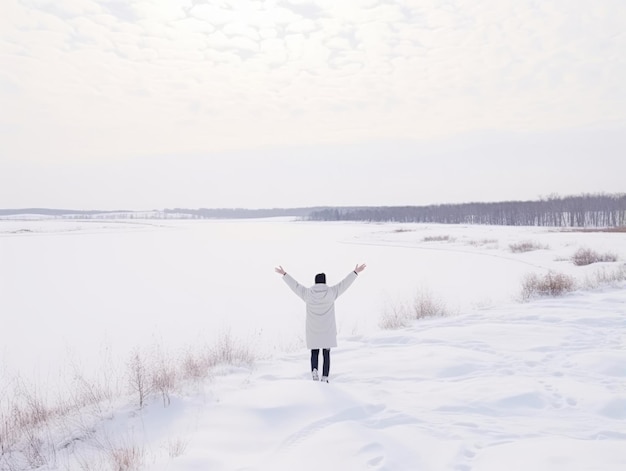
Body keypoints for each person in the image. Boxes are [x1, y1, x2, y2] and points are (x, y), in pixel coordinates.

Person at [274, 264, 366, 382]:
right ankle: (325, 376)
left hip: (314, 330)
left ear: (315, 282)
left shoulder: (307, 294)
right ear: (325, 282)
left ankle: (314, 371)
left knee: (315, 352)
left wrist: (284, 274)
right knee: (326, 354)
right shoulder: (331, 292)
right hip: (328, 330)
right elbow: (344, 284)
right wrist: (355, 272)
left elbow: (295, 286)